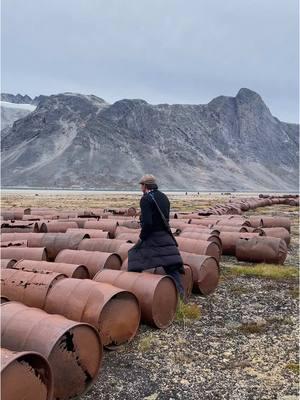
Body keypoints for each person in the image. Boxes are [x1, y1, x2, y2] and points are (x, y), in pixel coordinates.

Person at [128, 174, 184, 297]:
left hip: (152, 237)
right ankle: (180, 297)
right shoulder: (163, 197)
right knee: (171, 266)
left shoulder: (146, 199)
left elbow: (148, 222)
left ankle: (133, 291)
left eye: (141, 185)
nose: (140, 187)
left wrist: (142, 237)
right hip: (164, 235)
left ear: (145, 185)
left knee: (134, 258)